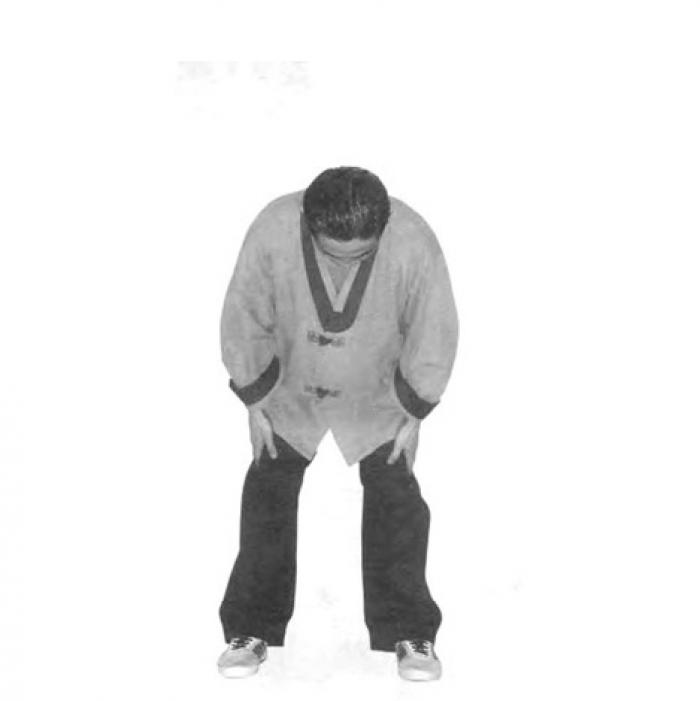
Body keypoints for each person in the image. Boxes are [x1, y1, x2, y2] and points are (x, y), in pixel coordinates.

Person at [216, 166, 459, 681]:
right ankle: (250, 627)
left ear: (382, 229)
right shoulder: (273, 226)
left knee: (397, 496)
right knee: (266, 488)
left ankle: (410, 630)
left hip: (377, 386)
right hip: (291, 381)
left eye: (360, 256)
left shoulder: (413, 239)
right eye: (332, 254)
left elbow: (434, 326)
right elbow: (243, 311)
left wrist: (415, 410)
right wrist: (255, 398)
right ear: (309, 225)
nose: (346, 264)